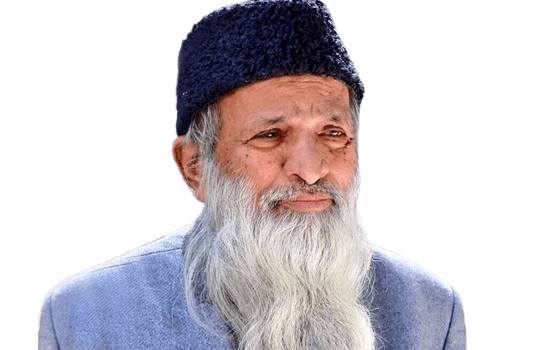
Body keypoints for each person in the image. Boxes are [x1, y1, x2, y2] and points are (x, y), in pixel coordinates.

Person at [37, 1, 467, 349]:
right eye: (270, 135)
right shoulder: (86, 314)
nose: (311, 168)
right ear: (194, 166)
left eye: (333, 133)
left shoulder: (430, 310)